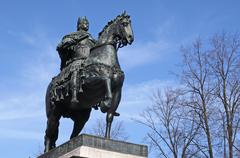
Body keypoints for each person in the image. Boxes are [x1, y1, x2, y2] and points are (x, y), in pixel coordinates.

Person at [56, 16, 96, 104]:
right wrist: (68, 42)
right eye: (85, 23)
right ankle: (74, 95)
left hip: (89, 61)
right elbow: (60, 46)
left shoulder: (92, 39)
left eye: (88, 23)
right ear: (79, 25)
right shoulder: (72, 35)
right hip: (77, 60)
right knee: (76, 69)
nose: (87, 25)